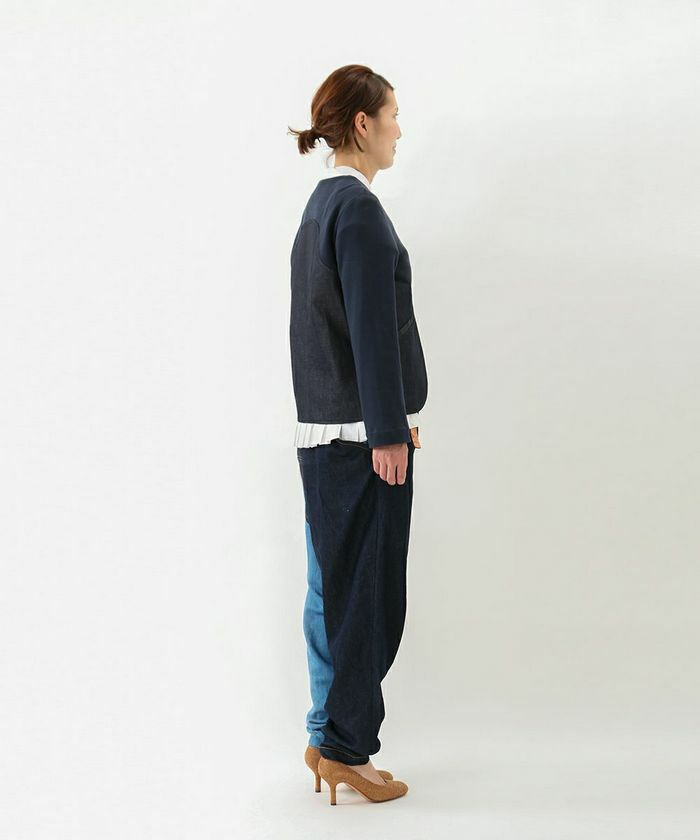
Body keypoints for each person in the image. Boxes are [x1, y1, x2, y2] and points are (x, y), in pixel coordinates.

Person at [287, 64, 429, 805]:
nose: (399, 128)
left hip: (321, 435)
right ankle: (347, 749)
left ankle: (325, 734)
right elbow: (372, 332)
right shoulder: (361, 213)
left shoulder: (319, 209)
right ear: (363, 124)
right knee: (367, 601)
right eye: (392, 114)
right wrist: (388, 432)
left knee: (330, 593)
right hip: (361, 440)